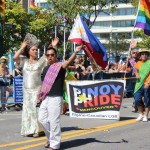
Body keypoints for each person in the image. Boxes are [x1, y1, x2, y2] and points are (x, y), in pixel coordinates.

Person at [13, 34, 59, 137]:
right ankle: (28, 129)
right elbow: (15, 57)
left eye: (37, 50)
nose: (36, 51)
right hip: (26, 90)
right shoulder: (24, 61)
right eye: (33, 50)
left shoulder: (41, 61)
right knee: (28, 110)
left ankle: (37, 130)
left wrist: (53, 46)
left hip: (37, 89)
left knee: (36, 110)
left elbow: (49, 56)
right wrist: (22, 47)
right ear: (29, 51)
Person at [38, 45, 82, 150]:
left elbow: (68, 62)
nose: (50, 57)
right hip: (45, 98)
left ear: (56, 56)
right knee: (42, 119)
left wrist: (75, 52)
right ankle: (50, 138)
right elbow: (44, 84)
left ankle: (54, 145)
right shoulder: (45, 68)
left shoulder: (60, 66)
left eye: (52, 55)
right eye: (48, 55)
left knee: (54, 122)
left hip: (55, 98)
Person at [134, 49, 150, 122]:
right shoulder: (138, 63)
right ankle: (141, 114)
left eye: (146, 54)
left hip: (147, 84)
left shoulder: (149, 63)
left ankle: (146, 115)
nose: (144, 55)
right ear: (140, 56)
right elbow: (136, 71)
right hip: (138, 84)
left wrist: (148, 83)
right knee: (137, 99)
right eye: (142, 54)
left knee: (147, 100)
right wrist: (137, 74)